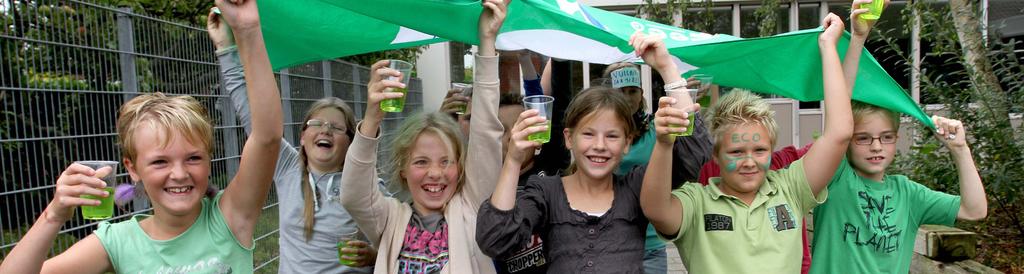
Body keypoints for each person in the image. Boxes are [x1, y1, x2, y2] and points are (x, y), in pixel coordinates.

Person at [0, 1, 281, 273]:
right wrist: (54, 214)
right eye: (160, 162)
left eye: (193, 157)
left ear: (209, 160)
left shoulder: (230, 218)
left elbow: (267, 137)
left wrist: (247, 30)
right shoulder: (118, 242)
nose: (179, 173)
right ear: (132, 168)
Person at [639, 12, 854, 273]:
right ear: (715, 156)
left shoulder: (791, 189)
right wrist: (664, 143)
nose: (749, 162)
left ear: (772, 150)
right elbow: (656, 209)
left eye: (760, 150)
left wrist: (828, 47)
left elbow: (839, 133)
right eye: (736, 151)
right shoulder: (698, 202)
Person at [809, 7, 987, 269]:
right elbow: (840, 109)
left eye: (886, 137)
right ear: (847, 140)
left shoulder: (908, 194)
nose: (877, 146)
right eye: (863, 139)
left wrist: (960, 150)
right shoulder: (836, 176)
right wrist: (858, 39)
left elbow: (975, 210)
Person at [338, 0, 508, 272]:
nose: (435, 173)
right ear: (403, 168)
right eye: (421, 162)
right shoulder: (389, 219)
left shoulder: (472, 209)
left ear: (460, 167)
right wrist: (371, 119)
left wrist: (487, 42)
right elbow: (353, 195)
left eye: (445, 161)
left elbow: (486, 133)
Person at [207, 7, 375, 273]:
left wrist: (375, 256)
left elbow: (400, 233)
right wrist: (225, 47)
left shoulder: (365, 182)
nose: (325, 131)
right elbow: (251, 109)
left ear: (350, 141)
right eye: (316, 124)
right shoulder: (287, 167)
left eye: (336, 127)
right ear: (302, 136)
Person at [601, 57, 713, 274]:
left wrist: (682, 97)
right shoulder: (600, 134)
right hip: (610, 239)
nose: (627, 98)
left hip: (651, 241)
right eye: (620, 91)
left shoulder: (658, 127)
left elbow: (698, 156)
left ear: (641, 94)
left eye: (632, 91)